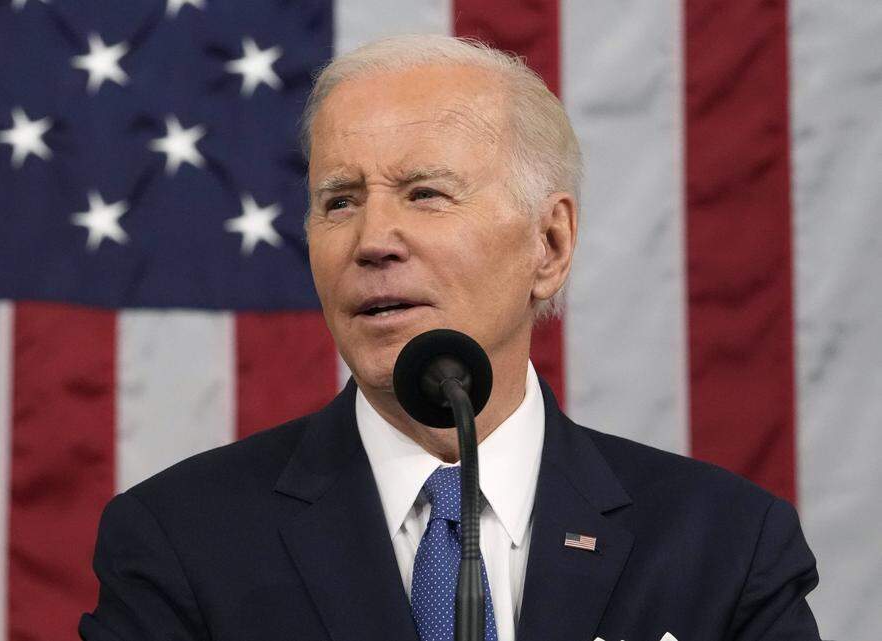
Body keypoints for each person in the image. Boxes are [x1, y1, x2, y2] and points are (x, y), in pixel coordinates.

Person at [79, 35, 821, 641]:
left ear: (551, 244)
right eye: (338, 201)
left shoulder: (724, 547)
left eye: (425, 194)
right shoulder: (182, 540)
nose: (372, 240)